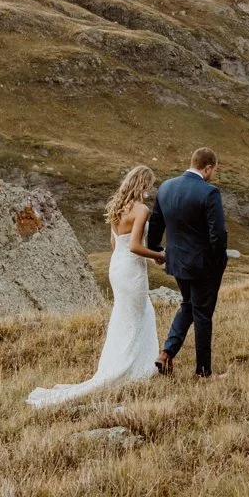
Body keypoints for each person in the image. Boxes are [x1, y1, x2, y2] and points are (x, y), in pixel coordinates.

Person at [26, 165, 165, 407]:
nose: (150, 191)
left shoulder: (116, 208)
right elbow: (134, 246)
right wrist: (159, 256)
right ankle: (131, 369)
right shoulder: (141, 209)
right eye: (149, 185)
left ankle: (133, 364)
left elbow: (115, 244)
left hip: (117, 267)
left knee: (129, 316)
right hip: (132, 269)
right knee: (137, 316)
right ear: (143, 185)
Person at [148, 147, 229, 378]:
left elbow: (156, 223)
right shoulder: (209, 193)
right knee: (202, 314)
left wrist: (155, 250)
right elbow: (218, 234)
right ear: (208, 168)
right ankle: (203, 373)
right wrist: (218, 261)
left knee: (188, 305)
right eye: (213, 170)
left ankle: (165, 354)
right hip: (204, 265)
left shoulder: (166, 187)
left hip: (177, 262)